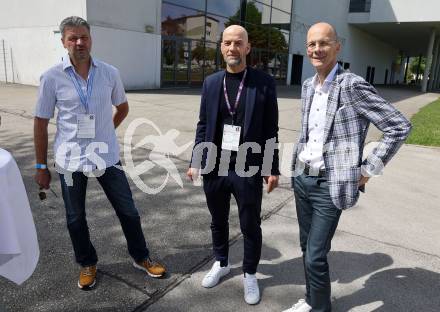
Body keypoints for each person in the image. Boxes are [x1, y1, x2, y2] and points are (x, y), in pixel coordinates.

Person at [283, 22, 411, 312]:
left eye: (324, 43)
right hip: (303, 177)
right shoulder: (307, 86)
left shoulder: (351, 85)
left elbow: (399, 126)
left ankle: (320, 309)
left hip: (330, 184)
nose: (317, 49)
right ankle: (313, 299)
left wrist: (367, 171)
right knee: (307, 248)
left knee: (315, 254)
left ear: (337, 47)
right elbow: (308, 133)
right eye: (312, 44)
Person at [33, 16, 165, 290]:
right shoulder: (51, 77)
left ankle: (140, 257)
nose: (79, 42)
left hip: (106, 157)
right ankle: (87, 263)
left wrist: (105, 131)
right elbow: (41, 122)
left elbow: (123, 107)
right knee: (75, 217)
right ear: (63, 41)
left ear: (91, 39)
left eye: (84, 37)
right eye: (73, 38)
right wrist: (40, 166)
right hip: (70, 161)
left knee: (128, 211)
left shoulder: (109, 73)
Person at [187, 25, 280, 305]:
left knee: (249, 223)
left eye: (238, 43)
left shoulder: (264, 83)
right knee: (218, 220)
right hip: (215, 165)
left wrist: (271, 167)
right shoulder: (211, 82)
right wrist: (196, 160)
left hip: (247, 166)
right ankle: (222, 262)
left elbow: (270, 129)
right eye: (227, 43)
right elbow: (203, 125)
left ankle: (250, 272)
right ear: (221, 47)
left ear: (247, 48)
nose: (232, 48)